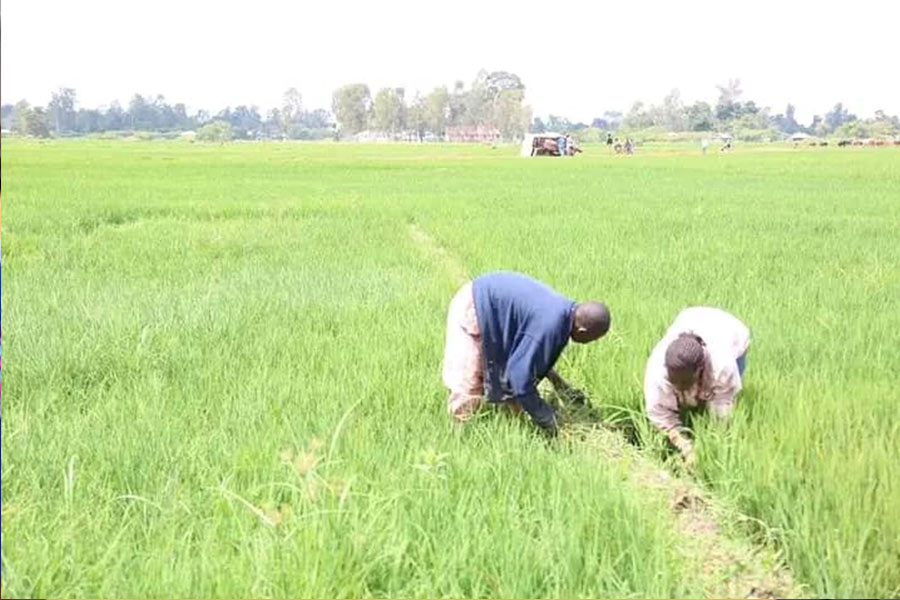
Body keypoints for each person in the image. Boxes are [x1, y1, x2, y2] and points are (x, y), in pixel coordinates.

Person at [442, 271, 611, 435]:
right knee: (469, 383)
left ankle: (510, 427)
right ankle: (457, 435)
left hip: (493, 309)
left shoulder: (564, 315)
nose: (591, 342)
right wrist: (546, 417)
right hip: (474, 305)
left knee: (512, 383)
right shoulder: (551, 326)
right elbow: (520, 378)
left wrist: (560, 385)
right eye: (593, 337)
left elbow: (532, 359)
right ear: (582, 330)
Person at [643, 307, 750, 465]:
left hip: (732, 331)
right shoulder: (657, 369)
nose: (680, 388)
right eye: (675, 383)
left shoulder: (722, 366)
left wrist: (713, 444)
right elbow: (659, 414)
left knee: (719, 407)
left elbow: (722, 410)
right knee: (679, 401)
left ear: (700, 369)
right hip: (690, 317)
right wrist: (685, 446)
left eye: (685, 383)